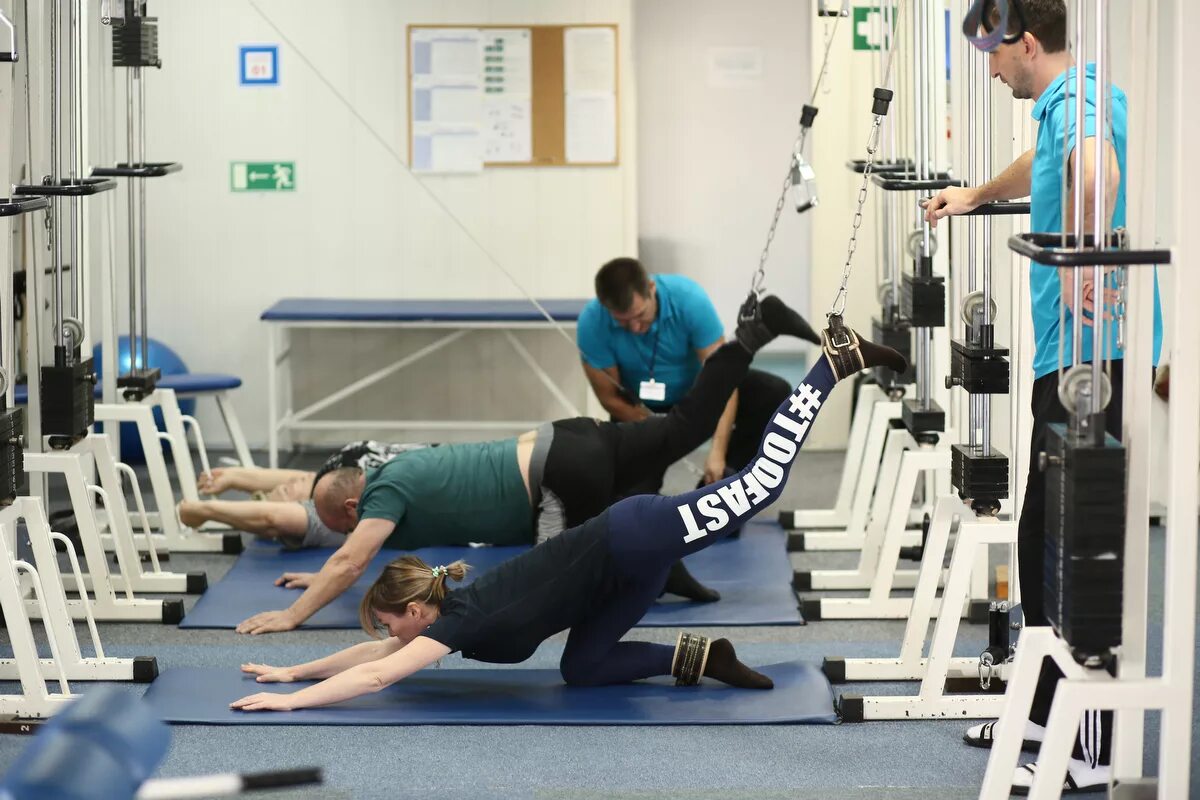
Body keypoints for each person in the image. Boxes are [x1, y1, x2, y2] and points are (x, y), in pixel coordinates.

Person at [228, 305, 909, 711]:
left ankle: (831, 361)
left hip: (632, 537)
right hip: (622, 574)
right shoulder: (441, 613)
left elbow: (376, 671)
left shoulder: (461, 620)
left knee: (758, 485)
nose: (386, 637)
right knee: (582, 668)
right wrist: (292, 667)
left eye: (389, 624)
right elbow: (369, 653)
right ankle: (707, 657)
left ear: (415, 613)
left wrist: (290, 699)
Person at [235, 296, 824, 635]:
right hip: (571, 441)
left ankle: (667, 570)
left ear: (349, 505)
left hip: (557, 484)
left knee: (555, 575)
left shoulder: (382, 498)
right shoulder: (397, 473)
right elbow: (347, 559)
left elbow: (349, 557)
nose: (333, 535)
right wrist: (322, 580)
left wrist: (293, 615)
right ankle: (752, 332)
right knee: (689, 427)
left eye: (332, 523)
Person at [923, 0, 1163, 793]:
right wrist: (978, 194)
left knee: (1074, 540)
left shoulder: (1085, 102)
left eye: (996, 56)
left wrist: (1090, 263)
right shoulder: (1069, 99)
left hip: (1097, 360)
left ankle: (1091, 746)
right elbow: (1049, 164)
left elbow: (1097, 173)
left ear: (1028, 43)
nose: (991, 71)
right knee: (1037, 533)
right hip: (1066, 356)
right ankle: (1043, 707)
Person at [577, 257, 819, 493]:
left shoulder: (688, 299)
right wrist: (660, 433)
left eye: (640, 316)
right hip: (639, 412)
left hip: (697, 398)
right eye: (623, 322)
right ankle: (763, 327)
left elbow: (725, 381)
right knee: (626, 514)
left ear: (651, 289)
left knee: (772, 392)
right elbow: (610, 398)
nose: (635, 328)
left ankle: (726, 484)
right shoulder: (592, 321)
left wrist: (718, 453)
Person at [177, 441, 430, 550]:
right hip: (419, 481)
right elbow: (273, 516)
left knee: (307, 483)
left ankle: (219, 498)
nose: (288, 484)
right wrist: (207, 508)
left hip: (425, 467)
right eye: (281, 492)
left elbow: (305, 480)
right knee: (303, 491)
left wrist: (237, 478)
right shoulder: (333, 515)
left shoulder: (328, 484)